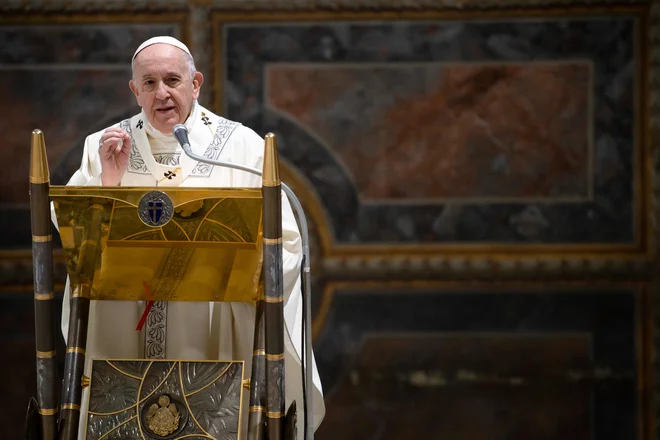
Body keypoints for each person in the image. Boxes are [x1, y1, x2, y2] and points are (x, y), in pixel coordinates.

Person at [55, 36, 325, 439]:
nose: (161, 93)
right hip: (124, 328)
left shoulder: (240, 146)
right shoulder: (104, 146)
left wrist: (236, 270)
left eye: (172, 80)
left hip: (211, 331)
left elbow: (284, 243)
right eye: (148, 83)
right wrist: (109, 183)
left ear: (195, 83)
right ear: (134, 90)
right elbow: (76, 239)